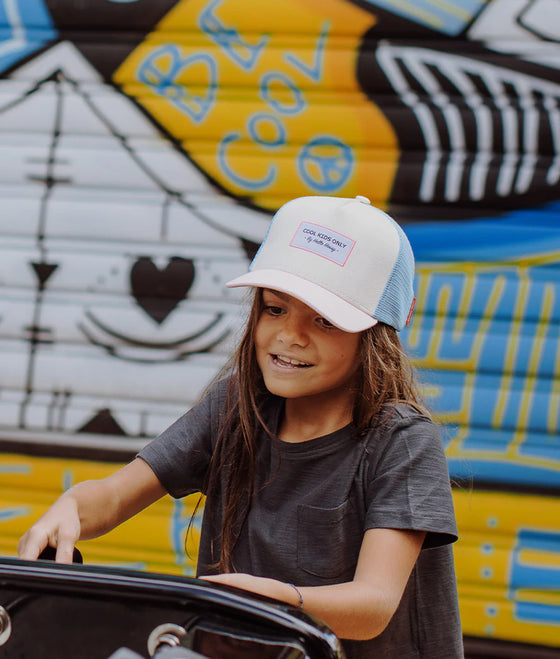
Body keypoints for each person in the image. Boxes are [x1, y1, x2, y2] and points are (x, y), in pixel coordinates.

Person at [18, 195, 463, 658]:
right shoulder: (234, 406)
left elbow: (373, 606)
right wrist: (71, 508)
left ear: (380, 332)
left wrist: (269, 600)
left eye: (325, 320)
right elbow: (112, 497)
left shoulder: (402, 441)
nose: (290, 335)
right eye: (275, 308)